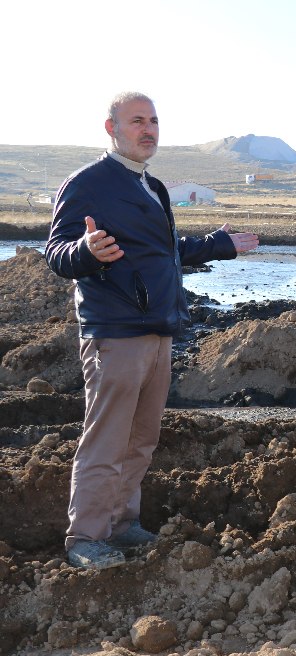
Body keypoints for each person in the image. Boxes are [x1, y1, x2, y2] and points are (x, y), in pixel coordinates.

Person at [45, 92, 260, 569]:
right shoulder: (89, 184)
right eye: (137, 120)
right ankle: (86, 538)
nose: (148, 129)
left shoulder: (153, 187)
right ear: (111, 128)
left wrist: (217, 245)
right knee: (106, 439)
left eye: (154, 121)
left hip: (159, 329)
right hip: (115, 334)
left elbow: (163, 252)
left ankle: (122, 525)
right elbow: (55, 252)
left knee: (142, 438)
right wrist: (85, 251)